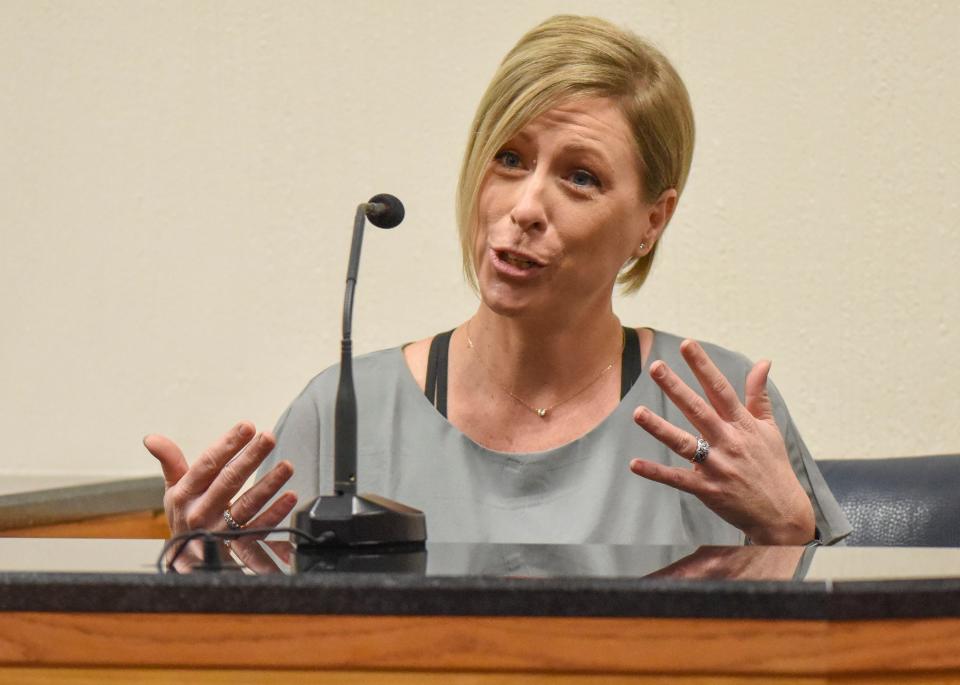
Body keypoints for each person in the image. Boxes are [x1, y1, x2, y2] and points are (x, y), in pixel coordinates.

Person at [145, 15, 850, 552]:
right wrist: (199, 567)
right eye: (510, 158)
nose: (525, 207)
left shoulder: (718, 414)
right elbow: (270, 648)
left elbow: (851, 659)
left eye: (581, 176)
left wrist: (791, 532)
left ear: (651, 222)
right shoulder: (343, 412)